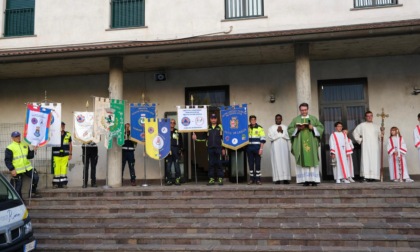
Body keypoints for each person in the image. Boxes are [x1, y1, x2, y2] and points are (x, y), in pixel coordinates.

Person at [287, 103, 324, 186]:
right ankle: (305, 180)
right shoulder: (296, 119)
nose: (304, 111)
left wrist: (313, 128)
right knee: (303, 160)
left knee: (312, 159)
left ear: (308, 109)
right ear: (300, 110)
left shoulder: (313, 119)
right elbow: (289, 129)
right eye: (302, 110)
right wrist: (298, 129)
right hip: (300, 145)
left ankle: (314, 180)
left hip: (312, 144)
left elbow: (321, 128)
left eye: (305, 110)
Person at [4, 131, 41, 198]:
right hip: (17, 169)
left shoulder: (25, 145)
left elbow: (29, 156)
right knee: (18, 186)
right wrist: (12, 169)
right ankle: (19, 201)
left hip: (27, 167)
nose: (18, 137)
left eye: (18, 136)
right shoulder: (10, 147)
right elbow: (7, 160)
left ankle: (32, 192)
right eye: (16, 136)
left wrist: (34, 150)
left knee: (35, 177)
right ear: (12, 138)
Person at [192, 114, 225, 186]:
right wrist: (196, 138)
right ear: (210, 120)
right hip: (210, 148)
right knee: (211, 164)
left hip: (218, 148)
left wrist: (223, 148)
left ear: (216, 119)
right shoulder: (207, 128)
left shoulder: (220, 127)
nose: (213, 120)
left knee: (219, 163)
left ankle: (220, 178)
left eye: (214, 118)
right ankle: (211, 179)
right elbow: (203, 138)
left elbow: (224, 139)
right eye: (212, 118)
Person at [352, 111, 383, 182]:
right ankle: (365, 176)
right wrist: (360, 140)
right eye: (368, 116)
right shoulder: (362, 125)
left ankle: (374, 176)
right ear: (365, 117)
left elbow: (379, 136)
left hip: (375, 146)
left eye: (371, 116)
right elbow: (355, 133)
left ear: (372, 116)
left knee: (375, 160)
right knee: (366, 160)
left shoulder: (377, 126)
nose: (369, 117)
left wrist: (382, 134)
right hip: (366, 146)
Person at [267, 114, 291, 184]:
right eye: (277, 119)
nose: (278, 120)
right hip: (275, 147)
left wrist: (282, 131)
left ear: (281, 119)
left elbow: (288, 136)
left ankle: (286, 179)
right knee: (276, 161)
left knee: (285, 161)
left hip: (284, 147)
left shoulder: (285, 127)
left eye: (279, 118)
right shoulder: (271, 128)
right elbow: (270, 137)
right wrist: (278, 132)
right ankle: (277, 179)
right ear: (275, 119)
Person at [52, 122, 72, 188]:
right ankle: (55, 183)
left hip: (65, 154)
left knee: (64, 169)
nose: (62, 127)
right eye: (61, 126)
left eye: (63, 126)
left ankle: (64, 183)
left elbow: (70, 144)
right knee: (56, 169)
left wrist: (70, 154)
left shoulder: (68, 134)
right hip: (56, 154)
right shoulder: (54, 134)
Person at [247, 115, 266, 185]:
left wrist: (261, 148)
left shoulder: (259, 128)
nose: (253, 121)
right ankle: (251, 179)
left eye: (254, 120)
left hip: (257, 148)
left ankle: (258, 179)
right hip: (249, 149)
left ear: (256, 120)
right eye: (251, 120)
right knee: (251, 164)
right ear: (250, 121)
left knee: (257, 164)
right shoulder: (247, 128)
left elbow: (263, 139)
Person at [165, 119, 183, 186]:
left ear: (175, 124)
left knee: (177, 166)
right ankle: (169, 180)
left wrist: (181, 150)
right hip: (168, 150)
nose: (172, 124)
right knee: (168, 166)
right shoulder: (165, 131)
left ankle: (177, 179)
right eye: (171, 122)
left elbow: (181, 141)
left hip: (176, 150)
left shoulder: (177, 132)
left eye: (173, 123)